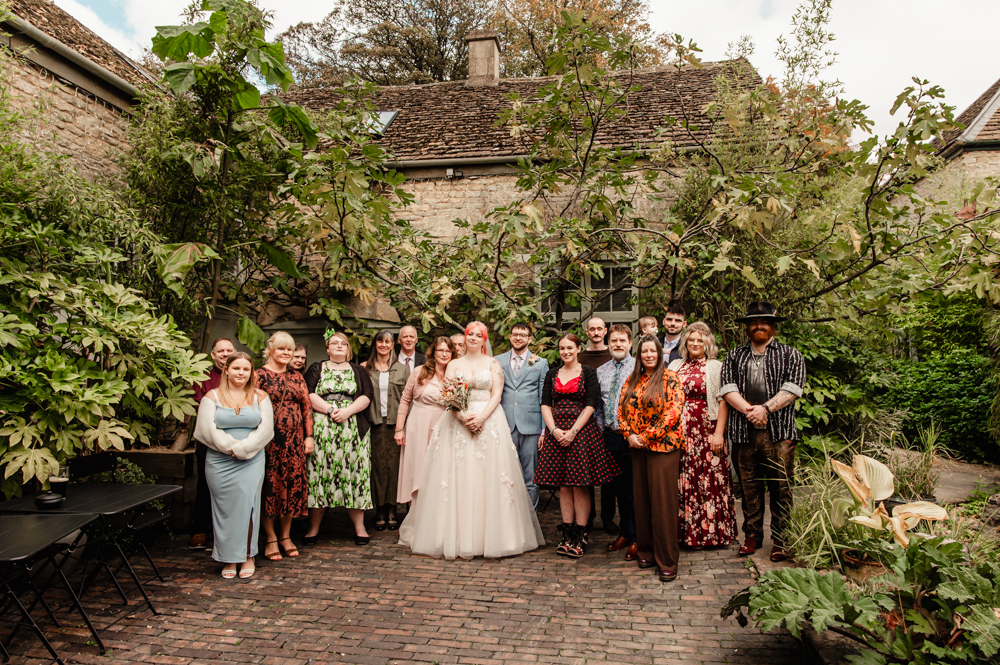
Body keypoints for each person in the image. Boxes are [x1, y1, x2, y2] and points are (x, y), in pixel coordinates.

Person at [399, 322, 543, 559]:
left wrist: (482, 418)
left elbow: (496, 394)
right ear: (464, 338)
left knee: (488, 477)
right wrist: (464, 417)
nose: (474, 338)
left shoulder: (493, 363)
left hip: (489, 420)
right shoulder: (454, 364)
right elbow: (450, 394)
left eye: (479, 335)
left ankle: (493, 537)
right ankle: (452, 535)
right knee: (458, 476)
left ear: (485, 339)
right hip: (458, 422)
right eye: (470, 334)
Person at [720, 302, 805, 562]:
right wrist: (750, 411)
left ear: (773, 326)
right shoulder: (734, 356)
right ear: (747, 327)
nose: (759, 326)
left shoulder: (791, 355)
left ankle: (781, 539)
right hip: (743, 434)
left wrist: (765, 409)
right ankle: (752, 535)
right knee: (749, 487)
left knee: (782, 488)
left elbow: (793, 388)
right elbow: (727, 387)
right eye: (754, 322)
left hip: (778, 433)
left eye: (764, 322)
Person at [535, 333, 619, 558]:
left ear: (578, 348)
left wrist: (572, 432)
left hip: (580, 432)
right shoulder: (552, 373)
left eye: (570, 348)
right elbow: (545, 404)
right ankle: (567, 533)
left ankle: (581, 535)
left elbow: (591, 404)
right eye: (562, 348)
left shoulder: (588, 372)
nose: (565, 352)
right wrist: (553, 431)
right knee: (563, 485)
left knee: (580, 484)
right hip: (557, 430)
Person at [193, 352, 273, 579]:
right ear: (226, 369)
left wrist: (245, 449)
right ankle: (228, 557)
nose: (241, 373)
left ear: (251, 373)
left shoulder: (260, 397)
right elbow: (205, 430)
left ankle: (247, 555)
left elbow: (266, 430)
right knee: (224, 510)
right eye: (236, 368)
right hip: (219, 460)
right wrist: (230, 447)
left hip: (252, 459)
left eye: (246, 369)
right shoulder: (212, 397)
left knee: (248, 507)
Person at [619, 335, 685, 582]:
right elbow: (621, 410)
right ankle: (645, 551)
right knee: (642, 501)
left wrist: (646, 436)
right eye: (644, 351)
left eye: (652, 351)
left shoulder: (671, 379)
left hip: (663, 449)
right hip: (637, 448)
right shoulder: (632, 379)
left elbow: (673, 413)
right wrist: (629, 435)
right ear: (639, 355)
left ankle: (667, 560)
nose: (648, 355)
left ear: (660, 353)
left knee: (662, 504)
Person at [667, 322, 737, 548]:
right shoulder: (675, 364)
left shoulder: (716, 366)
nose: (695, 344)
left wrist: (719, 434)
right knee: (683, 479)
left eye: (700, 340)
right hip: (680, 430)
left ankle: (712, 535)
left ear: (707, 343)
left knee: (709, 479)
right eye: (691, 340)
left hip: (707, 429)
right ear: (685, 342)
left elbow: (722, 400)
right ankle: (684, 534)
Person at [303, 332, 375, 546]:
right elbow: (308, 393)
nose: (339, 346)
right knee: (319, 474)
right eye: (334, 343)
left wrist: (347, 412)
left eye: (343, 343)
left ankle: (359, 527)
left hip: (353, 429)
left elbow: (367, 396)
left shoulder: (358, 370)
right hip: (323, 428)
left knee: (355, 474)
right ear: (327, 348)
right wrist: (331, 409)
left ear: (348, 349)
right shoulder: (317, 368)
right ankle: (314, 528)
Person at [256, 332, 314, 561]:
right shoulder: (258, 375)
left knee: (291, 487)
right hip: (270, 442)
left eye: (289, 350)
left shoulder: (297, 377)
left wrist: (309, 437)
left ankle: (286, 536)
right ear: (270, 349)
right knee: (271, 488)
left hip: (295, 442)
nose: (286, 354)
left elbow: (306, 407)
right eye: (281, 349)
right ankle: (270, 538)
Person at [187, 337, 235, 550]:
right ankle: (200, 530)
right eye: (220, 351)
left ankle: (228, 533)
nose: (225, 354)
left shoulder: (242, 375)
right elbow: (201, 412)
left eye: (229, 350)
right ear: (213, 355)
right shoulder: (202, 378)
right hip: (209, 442)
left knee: (232, 489)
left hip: (237, 442)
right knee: (206, 487)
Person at [595, 324, 638, 560]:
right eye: (614, 341)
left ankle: (637, 537)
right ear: (608, 343)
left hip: (633, 438)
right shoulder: (601, 371)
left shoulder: (639, 368)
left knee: (634, 490)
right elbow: (600, 408)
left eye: (622, 340)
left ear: (630, 343)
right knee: (619, 489)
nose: (618, 344)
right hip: (610, 437)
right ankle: (624, 533)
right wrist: (601, 435)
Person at [495, 322, 549, 509]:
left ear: (529, 339)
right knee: (504, 474)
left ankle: (530, 520)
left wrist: (543, 430)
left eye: (522, 335)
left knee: (530, 477)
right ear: (510, 337)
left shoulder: (541, 363)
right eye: (515, 334)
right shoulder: (497, 361)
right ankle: (507, 518)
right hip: (504, 425)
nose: (518, 337)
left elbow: (544, 397)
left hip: (531, 427)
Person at [395, 337, 453, 506]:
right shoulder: (419, 372)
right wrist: (399, 429)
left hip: (443, 426)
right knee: (418, 468)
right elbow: (405, 400)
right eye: (440, 350)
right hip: (418, 424)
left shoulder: (454, 374)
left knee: (440, 469)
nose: (444, 354)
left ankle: (436, 510)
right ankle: (415, 511)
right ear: (433, 353)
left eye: (448, 351)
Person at [364, 330, 409, 530]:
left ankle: (392, 511)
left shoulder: (402, 369)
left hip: (395, 424)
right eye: (380, 341)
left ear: (393, 345)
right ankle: (379, 510)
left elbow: (408, 399)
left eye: (388, 341)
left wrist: (405, 426)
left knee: (393, 467)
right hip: (374, 422)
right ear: (375, 344)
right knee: (377, 467)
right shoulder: (366, 368)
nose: (384, 344)